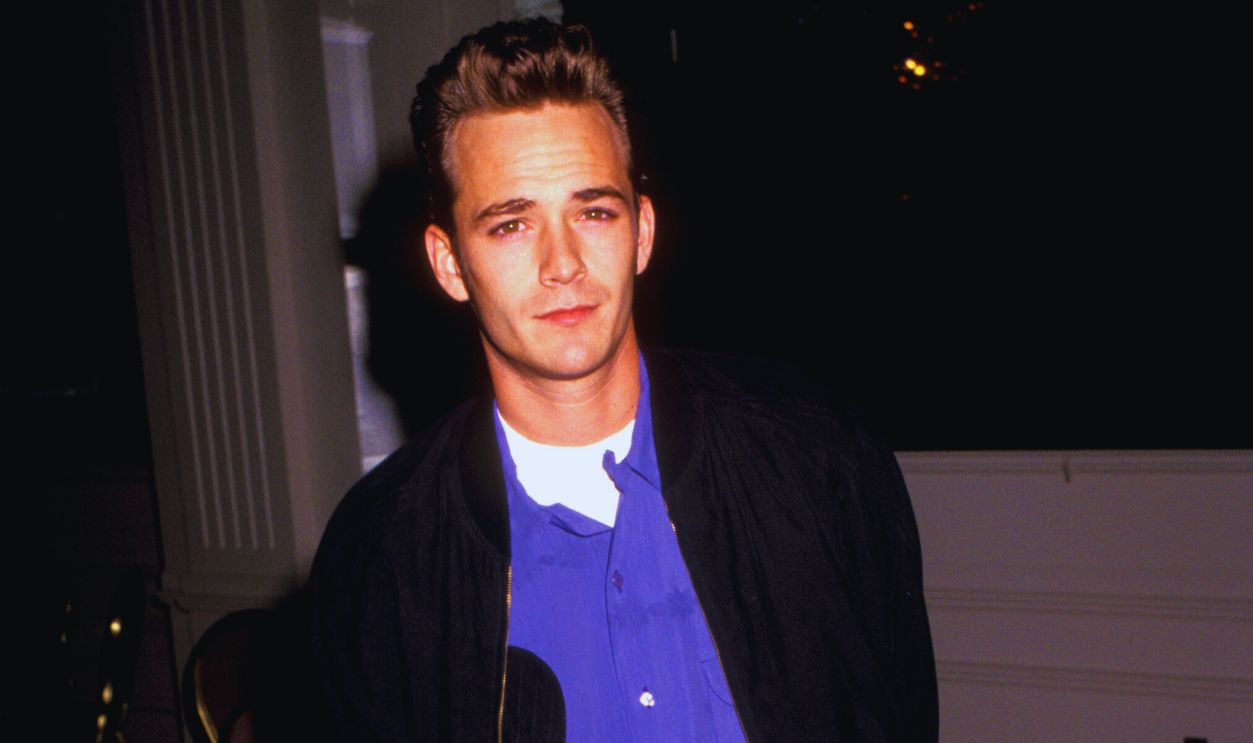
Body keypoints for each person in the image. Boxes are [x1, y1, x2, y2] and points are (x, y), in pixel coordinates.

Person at [310, 18, 938, 742]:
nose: (563, 262)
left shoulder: (820, 462)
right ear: (449, 263)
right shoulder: (382, 556)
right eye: (511, 224)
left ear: (640, 232)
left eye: (593, 211)